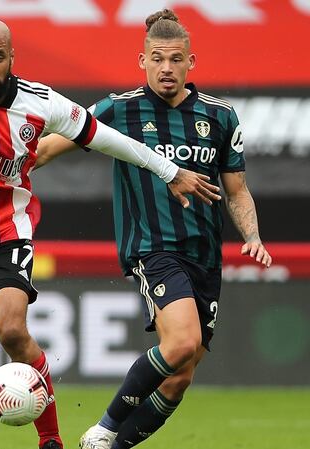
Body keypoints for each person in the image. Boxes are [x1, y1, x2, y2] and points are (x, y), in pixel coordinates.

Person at [0, 17, 219, 449]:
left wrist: (170, 171)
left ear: (12, 57)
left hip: (7, 233)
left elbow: (105, 138)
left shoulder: (41, 101)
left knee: (12, 330)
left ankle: (51, 440)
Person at [34, 9, 272, 449]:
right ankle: (103, 429)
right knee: (181, 342)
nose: (166, 68)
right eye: (158, 59)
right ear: (142, 60)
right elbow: (48, 148)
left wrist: (253, 237)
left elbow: (237, 191)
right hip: (153, 247)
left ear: (191, 62)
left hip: (206, 257)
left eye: (176, 59)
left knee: (180, 377)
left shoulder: (220, 117)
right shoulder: (118, 109)